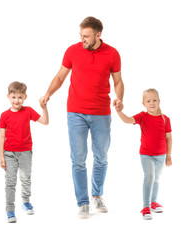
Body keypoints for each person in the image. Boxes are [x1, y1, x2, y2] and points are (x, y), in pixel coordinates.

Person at [40, 16, 124, 218]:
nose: (83, 39)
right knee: (78, 159)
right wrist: (48, 94)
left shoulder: (112, 53)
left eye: (86, 36)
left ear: (98, 35)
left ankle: (97, 195)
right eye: (81, 35)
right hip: (75, 112)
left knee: (101, 158)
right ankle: (83, 202)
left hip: (101, 113)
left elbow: (118, 81)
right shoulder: (72, 50)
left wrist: (119, 99)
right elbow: (60, 76)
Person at [115, 88, 172, 220]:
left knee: (156, 178)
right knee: (149, 177)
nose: (152, 103)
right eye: (148, 101)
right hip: (146, 154)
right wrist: (119, 112)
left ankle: (153, 202)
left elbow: (169, 138)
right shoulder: (142, 116)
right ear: (143, 104)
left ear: (159, 101)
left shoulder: (165, 119)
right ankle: (146, 207)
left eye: (154, 100)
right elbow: (128, 120)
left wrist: (168, 155)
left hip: (161, 155)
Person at [0, 81, 49, 223]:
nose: (17, 100)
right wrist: (1, 156)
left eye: (20, 97)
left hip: (25, 152)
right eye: (13, 97)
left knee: (26, 179)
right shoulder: (4, 115)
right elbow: (1, 136)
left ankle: (26, 201)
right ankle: (10, 210)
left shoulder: (28, 111)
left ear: (25, 97)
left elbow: (45, 121)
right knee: (10, 182)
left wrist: (44, 108)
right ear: (8, 97)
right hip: (9, 153)